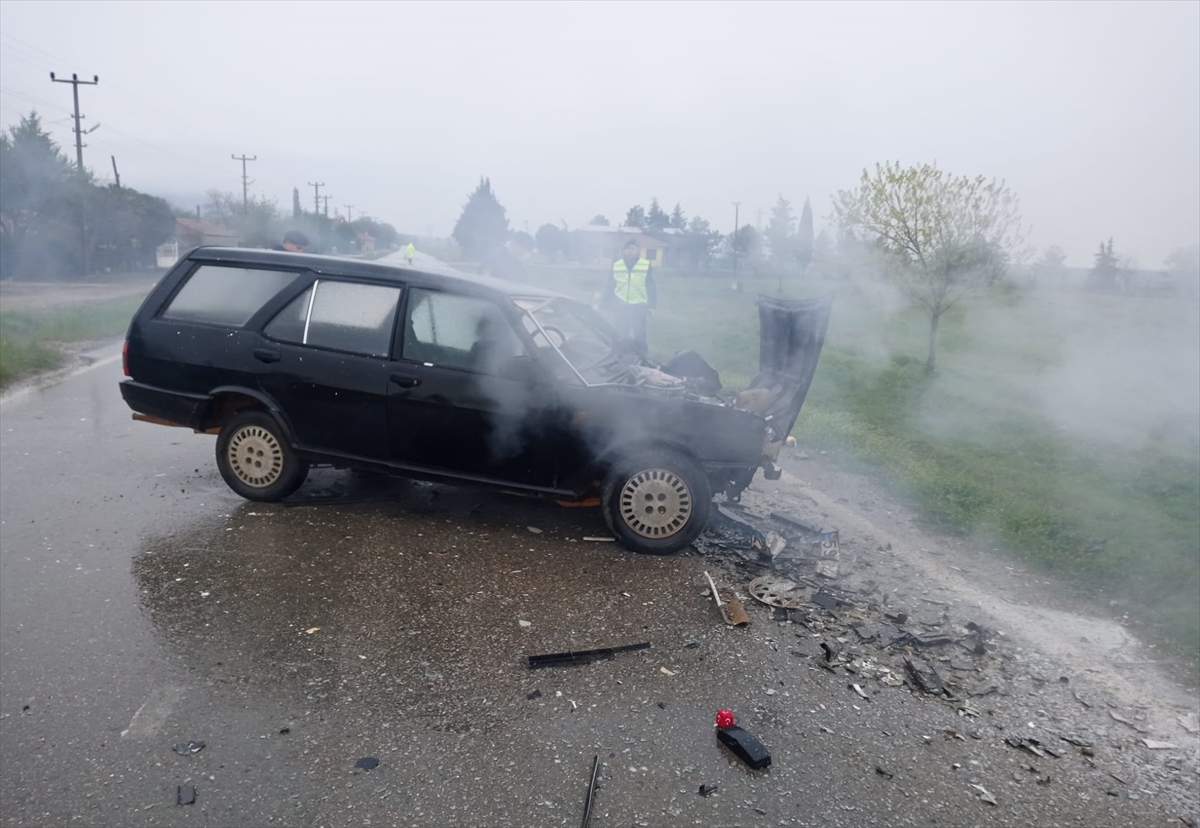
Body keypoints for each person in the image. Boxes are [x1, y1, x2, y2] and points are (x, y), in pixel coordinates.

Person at [605, 237, 657, 354]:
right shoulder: (617, 265)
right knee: (620, 335)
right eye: (628, 248)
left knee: (640, 335)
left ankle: (642, 359)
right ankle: (618, 357)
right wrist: (607, 303)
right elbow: (610, 285)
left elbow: (651, 286)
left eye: (633, 248)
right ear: (624, 250)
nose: (630, 250)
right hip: (621, 306)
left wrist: (652, 306)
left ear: (639, 250)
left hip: (639, 306)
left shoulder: (645, 265)